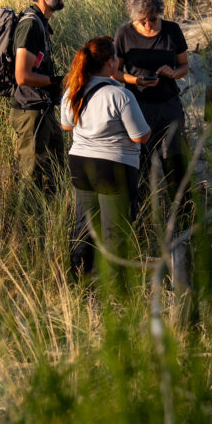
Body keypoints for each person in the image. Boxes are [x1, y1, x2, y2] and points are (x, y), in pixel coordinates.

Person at [60, 36, 151, 277]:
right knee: (115, 229)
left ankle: (79, 279)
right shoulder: (120, 95)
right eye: (116, 58)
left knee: (84, 225)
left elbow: (67, 125)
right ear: (110, 63)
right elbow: (140, 136)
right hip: (114, 167)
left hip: (80, 163)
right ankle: (114, 289)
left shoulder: (73, 90)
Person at [113, 0, 189, 211]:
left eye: (153, 19)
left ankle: (184, 211)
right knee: (140, 161)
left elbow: (184, 65)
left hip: (168, 106)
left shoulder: (172, 30)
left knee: (174, 158)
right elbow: (114, 72)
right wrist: (136, 81)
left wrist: (173, 73)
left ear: (160, 13)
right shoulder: (124, 34)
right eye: (142, 20)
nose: (148, 24)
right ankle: (143, 213)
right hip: (137, 106)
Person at [11, 0, 68, 194]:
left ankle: (53, 221)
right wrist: (57, 81)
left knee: (56, 170)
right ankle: (27, 226)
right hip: (30, 112)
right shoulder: (30, 25)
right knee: (30, 179)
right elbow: (22, 76)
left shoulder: (41, 23)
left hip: (43, 109)